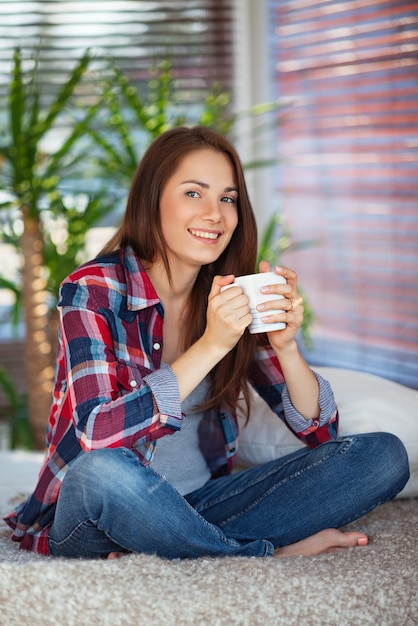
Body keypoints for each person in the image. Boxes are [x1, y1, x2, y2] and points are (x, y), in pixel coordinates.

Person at [4, 126, 409, 559]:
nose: (215, 214)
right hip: (101, 510)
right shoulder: (93, 289)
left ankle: (187, 546)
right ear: (153, 198)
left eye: (228, 198)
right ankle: (260, 554)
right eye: (194, 193)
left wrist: (287, 347)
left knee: (383, 455)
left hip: (199, 507)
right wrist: (212, 344)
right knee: (104, 471)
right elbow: (97, 434)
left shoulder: (229, 295)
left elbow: (321, 433)